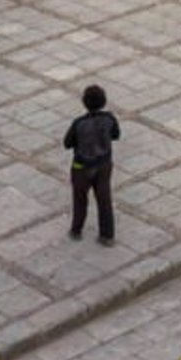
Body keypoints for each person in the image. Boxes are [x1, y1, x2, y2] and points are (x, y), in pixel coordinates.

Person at [64, 83, 120, 244]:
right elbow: (116, 135)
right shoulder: (109, 118)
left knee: (80, 198)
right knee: (104, 199)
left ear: (84, 103)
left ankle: (76, 230)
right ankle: (107, 236)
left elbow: (67, 143)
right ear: (104, 101)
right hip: (103, 164)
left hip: (81, 166)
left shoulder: (79, 123)